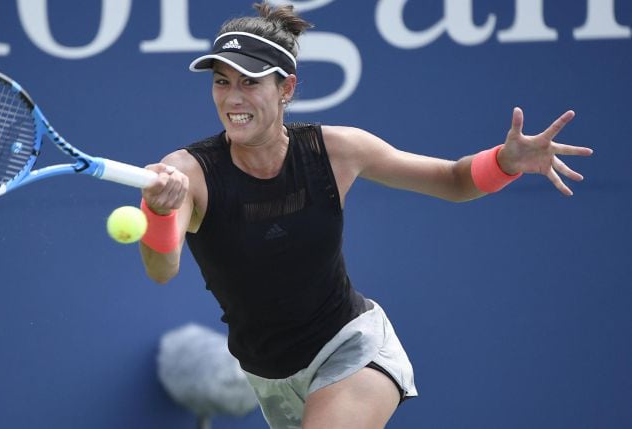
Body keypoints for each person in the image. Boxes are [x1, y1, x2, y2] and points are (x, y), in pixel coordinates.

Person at [136, 2, 593, 428]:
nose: (233, 98)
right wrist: (158, 213)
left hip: (352, 347)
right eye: (221, 81)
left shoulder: (338, 150)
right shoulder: (186, 173)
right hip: (269, 377)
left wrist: (505, 161)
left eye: (250, 82)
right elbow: (162, 269)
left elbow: (452, 181)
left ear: (287, 88)